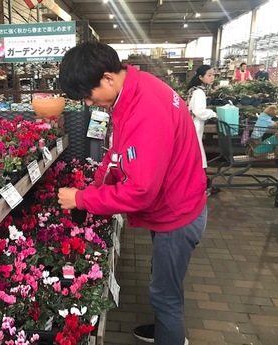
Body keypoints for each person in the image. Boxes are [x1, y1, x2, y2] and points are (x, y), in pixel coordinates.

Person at [57, 41, 207, 345]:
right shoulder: (134, 90)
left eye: (88, 95)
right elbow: (119, 151)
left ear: (108, 79)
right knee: (164, 284)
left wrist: (83, 199)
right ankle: (165, 328)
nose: (88, 104)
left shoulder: (145, 111)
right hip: (176, 199)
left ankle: (170, 335)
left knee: (165, 295)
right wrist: (97, 185)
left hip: (176, 214)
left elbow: (140, 192)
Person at [186, 65, 220, 196]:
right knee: (199, 160)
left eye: (213, 75)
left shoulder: (193, 90)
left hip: (190, 129)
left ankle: (204, 184)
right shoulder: (199, 92)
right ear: (201, 77)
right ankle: (203, 187)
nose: (212, 78)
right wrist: (213, 113)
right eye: (209, 75)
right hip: (194, 130)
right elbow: (199, 111)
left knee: (196, 159)